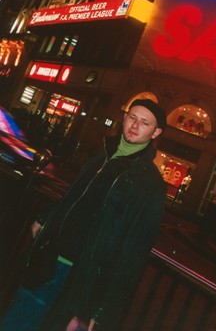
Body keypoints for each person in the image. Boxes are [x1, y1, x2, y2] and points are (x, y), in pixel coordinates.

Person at [0, 99, 167, 331]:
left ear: (156, 132)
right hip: (50, 256)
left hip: (80, 276)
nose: (135, 125)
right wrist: (46, 218)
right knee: (17, 318)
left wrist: (99, 310)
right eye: (132, 117)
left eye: (145, 122)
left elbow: (133, 253)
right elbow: (74, 197)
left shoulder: (150, 183)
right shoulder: (103, 156)